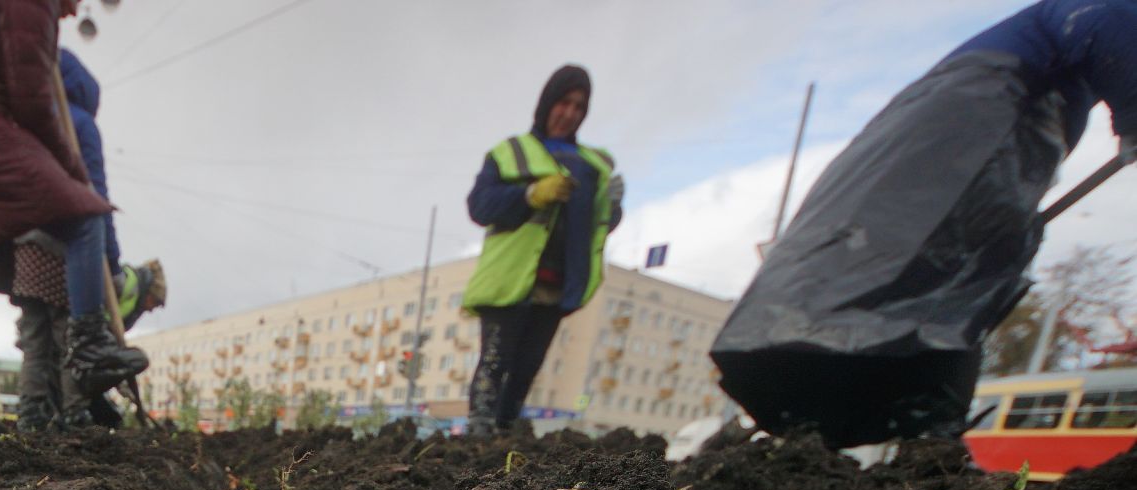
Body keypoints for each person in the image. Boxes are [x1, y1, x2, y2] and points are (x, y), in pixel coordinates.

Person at [712, 0, 1137, 449]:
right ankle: (910, 431)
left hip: (976, 127)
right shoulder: (1062, 28)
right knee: (931, 272)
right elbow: (1100, 13)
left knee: (950, 284)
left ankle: (919, 439)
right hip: (977, 113)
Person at [0, 0, 149, 423]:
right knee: (85, 216)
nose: (75, 12)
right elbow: (30, 91)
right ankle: (90, 350)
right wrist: (73, 174)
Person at [461, 65, 623, 439]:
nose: (569, 113)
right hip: (510, 276)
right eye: (564, 103)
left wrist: (612, 208)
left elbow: (596, 225)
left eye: (579, 107)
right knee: (495, 359)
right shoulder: (511, 152)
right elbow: (479, 206)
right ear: (548, 102)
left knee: (528, 365)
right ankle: (477, 436)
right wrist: (529, 195)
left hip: (558, 281)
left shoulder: (592, 165)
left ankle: (504, 432)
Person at [10, 47, 166, 431]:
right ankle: (75, 414)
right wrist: (109, 259)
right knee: (71, 342)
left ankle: (31, 416)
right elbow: (94, 197)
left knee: (35, 339)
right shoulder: (79, 124)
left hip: (24, 247)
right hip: (66, 250)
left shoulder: (24, 124)